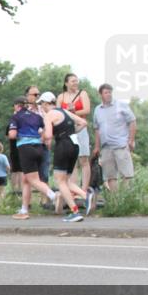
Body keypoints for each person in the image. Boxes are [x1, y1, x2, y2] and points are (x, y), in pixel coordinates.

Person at [40, 92, 91, 222]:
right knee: (67, 180)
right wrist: (72, 132)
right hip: (74, 144)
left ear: (46, 103)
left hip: (63, 145)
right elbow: (83, 122)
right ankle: (86, 196)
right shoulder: (64, 111)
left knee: (60, 181)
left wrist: (41, 133)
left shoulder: (48, 115)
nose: (41, 107)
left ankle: (75, 211)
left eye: (41, 104)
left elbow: (49, 136)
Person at [7, 96, 58, 220]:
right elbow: (46, 131)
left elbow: (12, 135)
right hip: (39, 148)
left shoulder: (16, 116)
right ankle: (24, 209)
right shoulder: (37, 116)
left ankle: (55, 196)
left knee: (34, 180)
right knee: (26, 180)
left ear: (17, 106)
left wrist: (15, 132)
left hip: (26, 148)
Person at [93, 83, 137, 191]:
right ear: (101, 94)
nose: (108, 95)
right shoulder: (98, 110)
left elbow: (132, 121)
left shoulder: (121, 105)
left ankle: (125, 198)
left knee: (126, 174)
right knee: (110, 176)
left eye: (110, 92)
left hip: (120, 144)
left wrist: (131, 140)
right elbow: (97, 129)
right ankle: (115, 202)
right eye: (106, 92)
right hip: (106, 147)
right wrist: (97, 146)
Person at [59, 73, 93, 195]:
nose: (75, 83)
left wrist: (72, 112)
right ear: (66, 83)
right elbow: (58, 112)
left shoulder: (82, 94)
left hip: (80, 127)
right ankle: (74, 189)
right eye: (73, 81)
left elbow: (87, 110)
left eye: (76, 81)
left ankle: (84, 189)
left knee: (83, 158)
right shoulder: (61, 97)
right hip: (68, 130)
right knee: (71, 161)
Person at [25, 85, 52, 183]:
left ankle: (44, 197)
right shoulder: (24, 111)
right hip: (30, 145)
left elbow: (49, 124)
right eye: (35, 94)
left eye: (38, 94)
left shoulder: (44, 109)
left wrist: (47, 137)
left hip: (44, 145)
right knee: (30, 175)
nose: (37, 96)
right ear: (27, 96)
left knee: (44, 173)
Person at [5, 102, 24, 193]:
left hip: (15, 147)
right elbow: (9, 135)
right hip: (18, 147)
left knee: (16, 170)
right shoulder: (18, 123)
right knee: (19, 170)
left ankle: (15, 190)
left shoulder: (11, 123)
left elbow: (7, 135)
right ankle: (18, 190)